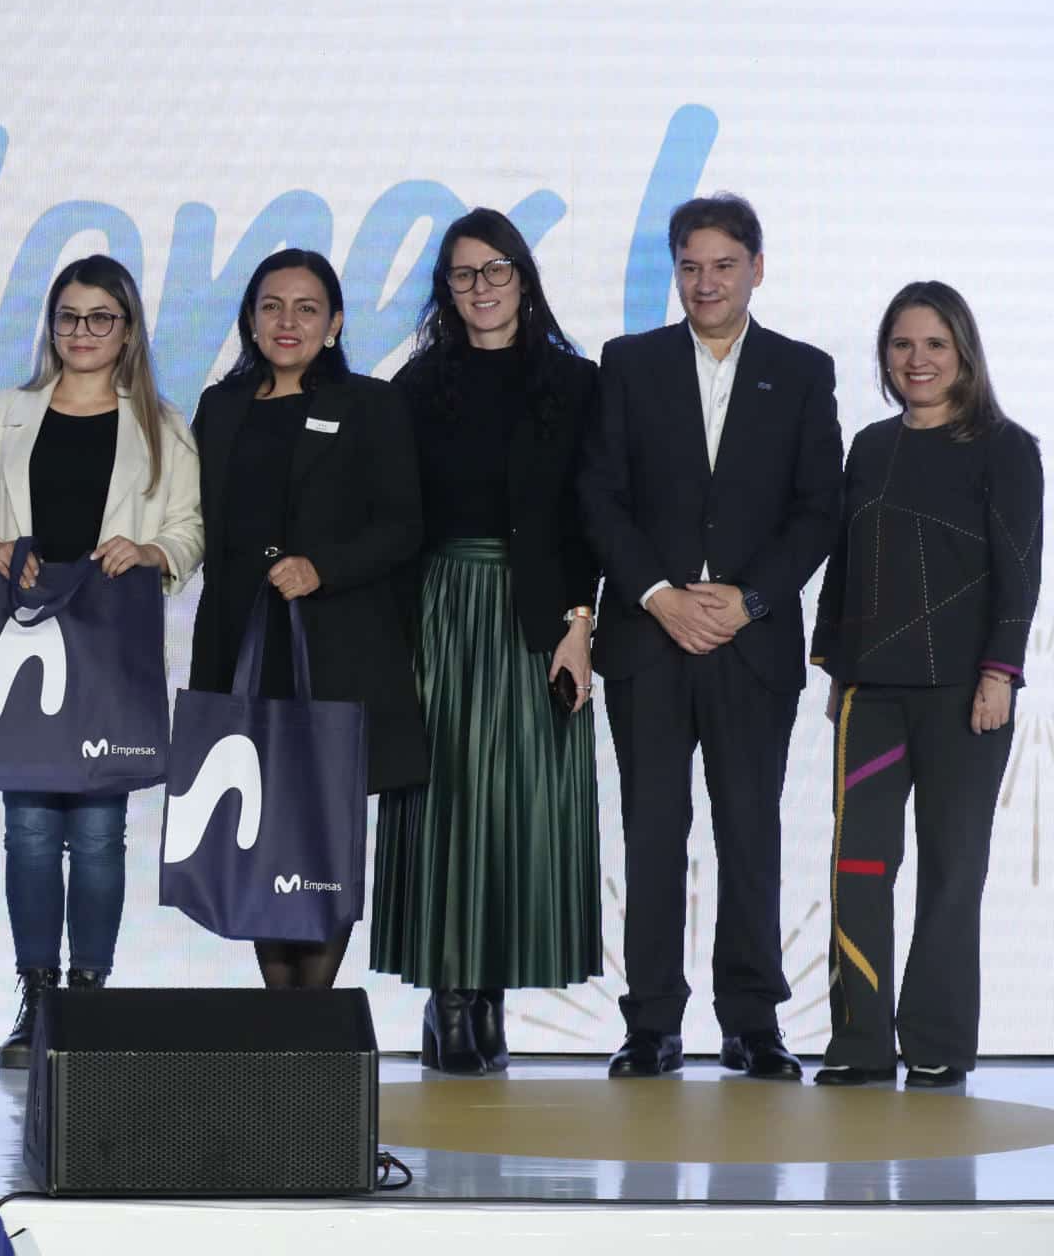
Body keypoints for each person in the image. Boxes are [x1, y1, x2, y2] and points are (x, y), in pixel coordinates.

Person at [580, 193, 842, 1081]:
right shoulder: (630, 362)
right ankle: (650, 1024)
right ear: (674, 270)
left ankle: (752, 1023)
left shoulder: (804, 371)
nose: (706, 282)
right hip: (648, 640)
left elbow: (819, 510)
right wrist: (657, 594)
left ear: (756, 269)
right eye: (690, 265)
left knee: (749, 831)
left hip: (751, 643)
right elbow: (599, 495)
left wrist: (750, 600)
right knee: (653, 830)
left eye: (724, 265)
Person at [0, 254, 203, 1067]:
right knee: (27, 830)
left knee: (98, 831)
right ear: (51, 325)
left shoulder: (161, 424)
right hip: (23, 638)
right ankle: (39, 997)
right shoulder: (7, 414)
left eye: (101, 317)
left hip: (109, 640)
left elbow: (192, 529)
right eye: (69, 316)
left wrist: (155, 548)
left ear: (128, 328)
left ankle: (89, 999)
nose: (83, 332)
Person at [371, 208, 602, 1074]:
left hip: (543, 617)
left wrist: (582, 625)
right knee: (446, 799)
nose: (482, 289)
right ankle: (452, 994)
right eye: (465, 274)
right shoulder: (415, 388)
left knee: (522, 801)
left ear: (524, 278)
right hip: (441, 607)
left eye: (496, 270)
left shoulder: (575, 385)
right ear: (446, 288)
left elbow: (588, 520)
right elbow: (396, 519)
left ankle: (492, 988)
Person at [810, 282, 1041, 1089]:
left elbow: (1019, 573)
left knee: (952, 868)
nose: (918, 360)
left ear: (964, 353)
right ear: (885, 355)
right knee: (859, 868)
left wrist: (1000, 674)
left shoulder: (1007, 448)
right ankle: (860, 1043)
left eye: (935, 345)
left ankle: (938, 1040)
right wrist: (838, 670)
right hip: (871, 696)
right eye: (903, 345)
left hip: (964, 699)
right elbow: (845, 568)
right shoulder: (870, 448)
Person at [189, 248, 425, 990]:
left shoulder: (372, 404)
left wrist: (323, 567)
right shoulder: (219, 407)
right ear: (250, 318)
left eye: (306, 308)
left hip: (337, 648)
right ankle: (279, 1015)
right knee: (256, 826)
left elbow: (404, 524)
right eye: (271, 306)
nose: (286, 322)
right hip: (243, 647)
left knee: (323, 834)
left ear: (336, 323)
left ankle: (310, 1021)